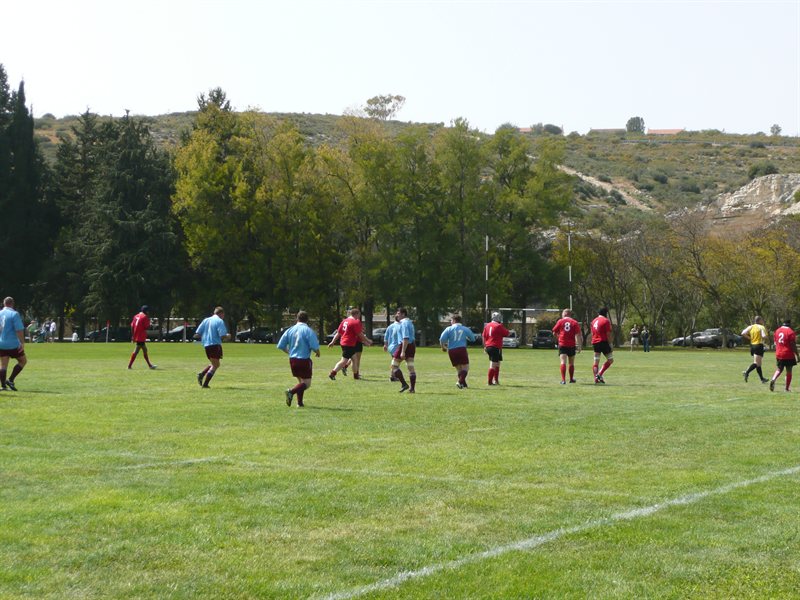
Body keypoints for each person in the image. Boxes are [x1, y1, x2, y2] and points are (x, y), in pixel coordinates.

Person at [277, 311, 321, 407]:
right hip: (304, 360)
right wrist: (318, 352)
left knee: (301, 382)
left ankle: (299, 403)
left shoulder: (290, 330)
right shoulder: (308, 330)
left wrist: (290, 352)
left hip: (293, 360)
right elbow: (314, 345)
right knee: (307, 384)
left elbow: (281, 345)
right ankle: (291, 392)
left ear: (297, 319)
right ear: (307, 320)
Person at [328, 307, 372, 380]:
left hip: (344, 342)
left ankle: (356, 375)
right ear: (357, 314)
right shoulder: (355, 322)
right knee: (344, 361)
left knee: (354, 359)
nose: (359, 317)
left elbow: (338, 333)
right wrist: (367, 340)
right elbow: (360, 334)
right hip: (349, 343)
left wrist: (333, 341)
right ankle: (333, 373)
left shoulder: (345, 321)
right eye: (359, 315)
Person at [195, 306, 230, 388]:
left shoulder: (206, 320)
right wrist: (228, 336)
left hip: (206, 345)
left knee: (214, 363)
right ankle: (205, 384)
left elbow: (198, 333)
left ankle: (202, 374)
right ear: (221, 314)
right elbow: (222, 336)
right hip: (215, 344)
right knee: (216, 365)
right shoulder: (219, 321)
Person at [439, 314, 476, 389]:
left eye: (451, 320)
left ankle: (463, 385)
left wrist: (443, 347)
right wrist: (466, 337)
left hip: (451, 350)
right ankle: (460, 381)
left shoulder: (448, 329)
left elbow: (442, 339)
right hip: (461, 349)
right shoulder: (465, 329)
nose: (451, 322)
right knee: (465, 368)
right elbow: (473, 339)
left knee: (459, 369)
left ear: (454, 320)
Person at [0, 297, 28, 391]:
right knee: (23, 361)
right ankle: (10, 380)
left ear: (4, 304)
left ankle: (3, 386)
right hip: (12, 344)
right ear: (12, 304)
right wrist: (22, 343)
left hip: (2, 343)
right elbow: (19, 330)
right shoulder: (14, 314)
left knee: (3, 365)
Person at [552, 308, 582, 384]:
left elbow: (554, 332)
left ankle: (563, 380)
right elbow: (578, 334)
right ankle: (571, 379)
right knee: (571, 363)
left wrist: (559, 338)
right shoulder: (575, 322)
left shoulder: (560, 321)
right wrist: (579, 345)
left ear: (565, 314)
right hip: (571, 345)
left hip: (562, 344)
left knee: (563, 362)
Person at [769, 319, 799, 392]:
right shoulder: (790, 332)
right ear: (789, 324)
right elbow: (793, 345)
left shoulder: (777, 331)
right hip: (788, 353)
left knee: (779, 369)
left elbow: (775, 343)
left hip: (779, 353)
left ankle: (773, 379)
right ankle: (787, 388)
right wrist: (797, 355)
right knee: (789, 370)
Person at [391, 307, 416, 393]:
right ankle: (412, 389)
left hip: (404, 345)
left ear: (403, 314)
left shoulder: (404, 323)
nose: (396, 315)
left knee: (394, 365)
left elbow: (405, 337)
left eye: (398, 313)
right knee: (410, 366)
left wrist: (403, 351)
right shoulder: (410, 322)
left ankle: (404, 384)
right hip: (412, 345)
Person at [482, 312, 509, 385]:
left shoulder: (487, 325)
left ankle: (496, 380)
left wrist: (484, 346)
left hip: (489, 346)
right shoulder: (499, 326)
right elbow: (507, 333)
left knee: (497, 363)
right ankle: (490, 382)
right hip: (495, 347)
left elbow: (484, 336)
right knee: (493, 364)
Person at [741, 316, 769, 384]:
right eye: (762, 320)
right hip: (758, 345)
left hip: (752, 345)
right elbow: (764, 336)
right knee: (756, 363)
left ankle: (762, 379)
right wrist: (766, 339)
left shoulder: (751, 326)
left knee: (758, 364)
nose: (762, 321)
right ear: (759, 320)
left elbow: (743, 333)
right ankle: (746, 372)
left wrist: (750, 338)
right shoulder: (761, 327)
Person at [128, 305, 157, 370]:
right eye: (148, 311)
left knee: (144, 350)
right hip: (141, 336)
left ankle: (150, 365)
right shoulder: (144, 317)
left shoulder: (136, 316)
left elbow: (132, 326)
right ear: (146, 311)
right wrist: (150, 324)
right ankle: (129, 366)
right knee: (137, 351)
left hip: (137, 336)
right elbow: (147, 327)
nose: (148, 312)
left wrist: (133, 336)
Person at [591, 307, 614, 384]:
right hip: (603, 342)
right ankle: (599, 374)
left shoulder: (593, 321)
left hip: (595, 342)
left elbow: (592, 333)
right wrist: (610, 344)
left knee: (596, 361)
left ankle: (596, 379)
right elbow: (608, 334)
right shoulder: (606, 321)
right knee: (610, 360)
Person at [383, 314, 401, 381]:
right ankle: (393, 376)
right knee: (395, 362)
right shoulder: (400, 326)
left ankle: (394, 375)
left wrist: (385, 345)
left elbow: (386, 337)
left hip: (391, 347)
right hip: (397, 347)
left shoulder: (390, 326)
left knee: (395, 361)